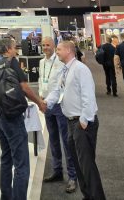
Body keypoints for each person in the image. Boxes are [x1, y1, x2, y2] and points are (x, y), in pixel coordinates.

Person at [45, 41, 106, 200]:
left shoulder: (80, 69)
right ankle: (87, 196)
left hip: (82, 123)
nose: (56, 52)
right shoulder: (65, 70)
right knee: (79, 165)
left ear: (68, 51)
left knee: (87, 166)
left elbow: (88, 96)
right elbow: (57, 91)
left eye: (58, 49)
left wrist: (84, 120)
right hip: (71, 123)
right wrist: (45, 103)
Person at [0, 36, 46, 200]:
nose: (16, 50)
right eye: (14, 47)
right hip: (13, 118)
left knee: (6, 159)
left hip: (0, 117)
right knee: (22, 164)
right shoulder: (12, 62)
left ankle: (6, 197)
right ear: (8, 49)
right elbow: (24, 87)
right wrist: (39, 102)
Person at [39, 37, 77, 193]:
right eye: (43, 45)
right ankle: (57, 171)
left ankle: (73, 176)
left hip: (60, 105)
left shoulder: (61, 62)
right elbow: (42, 81)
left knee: (67, 141)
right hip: (47, 105)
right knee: (53, 140)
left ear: (54, 46)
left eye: (48, 45)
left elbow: (62, 85)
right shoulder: (42, 62)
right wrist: (41, 98)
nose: (45, 47)